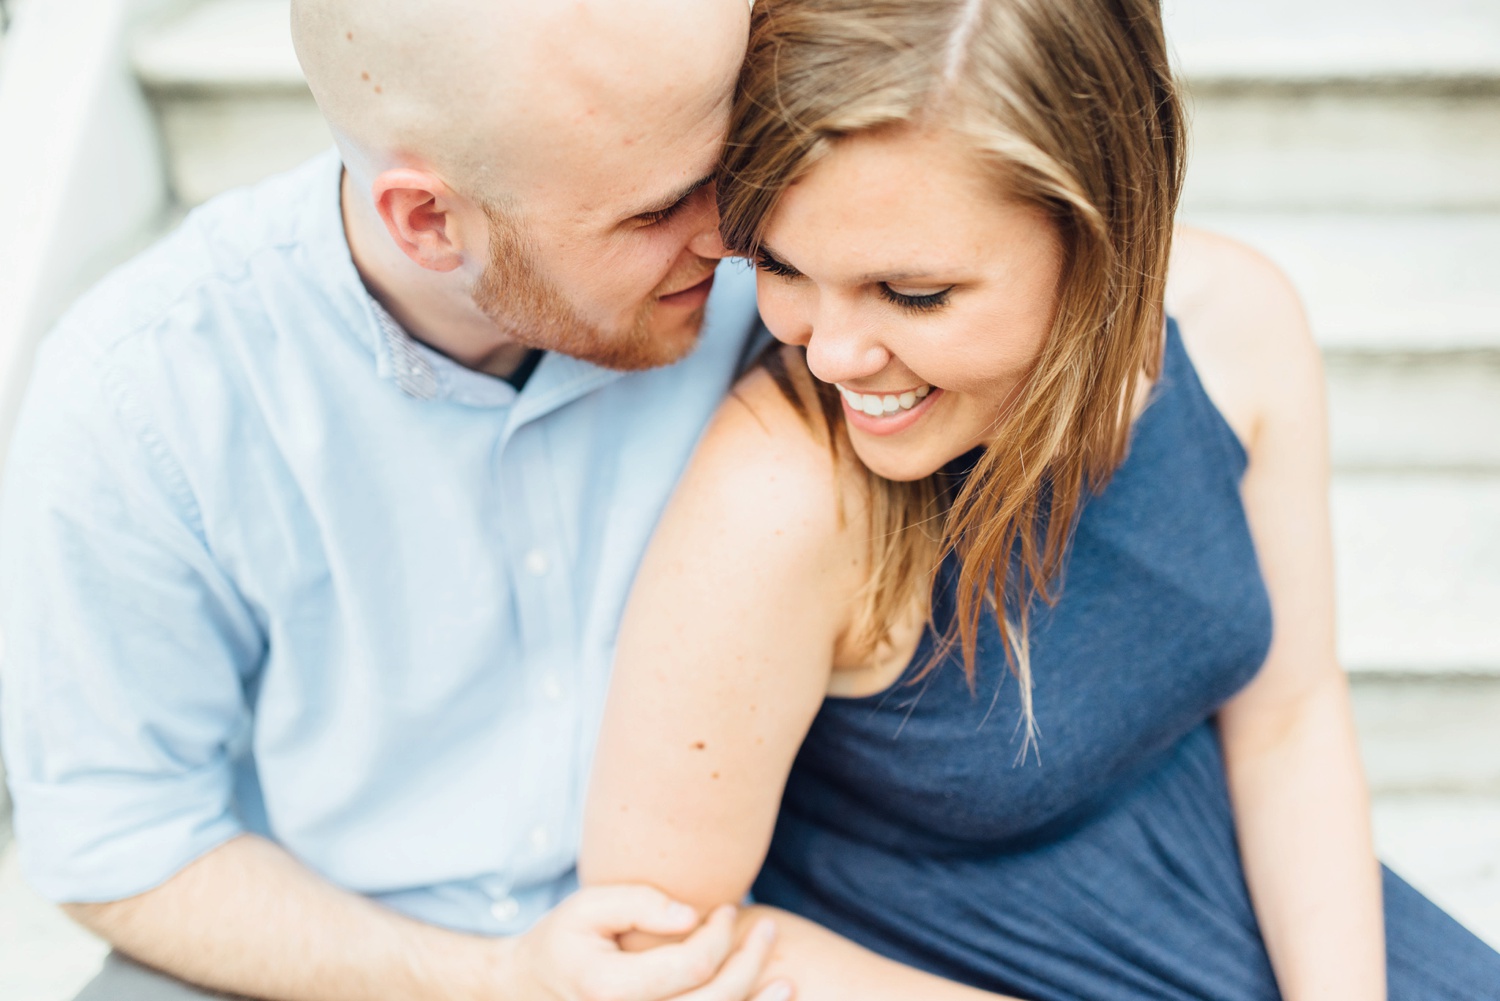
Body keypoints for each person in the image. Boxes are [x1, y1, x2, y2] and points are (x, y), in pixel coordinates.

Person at [580, 1, 1500, 999]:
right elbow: (655, 950)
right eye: (783, 266)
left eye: (913, 292)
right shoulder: (779, 494)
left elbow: (1287, 715)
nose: (831, 353)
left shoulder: (1236, 328)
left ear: (1102, 230)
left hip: (1238, 890)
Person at [1, 1, 793, 998]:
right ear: (428, 221)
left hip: (730, 937)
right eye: (652, 212)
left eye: (725, 166)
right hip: (335, 955)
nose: (727, 236)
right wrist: (500, 980)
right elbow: (120, 838)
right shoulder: (143, 397)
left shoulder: (776, 286)